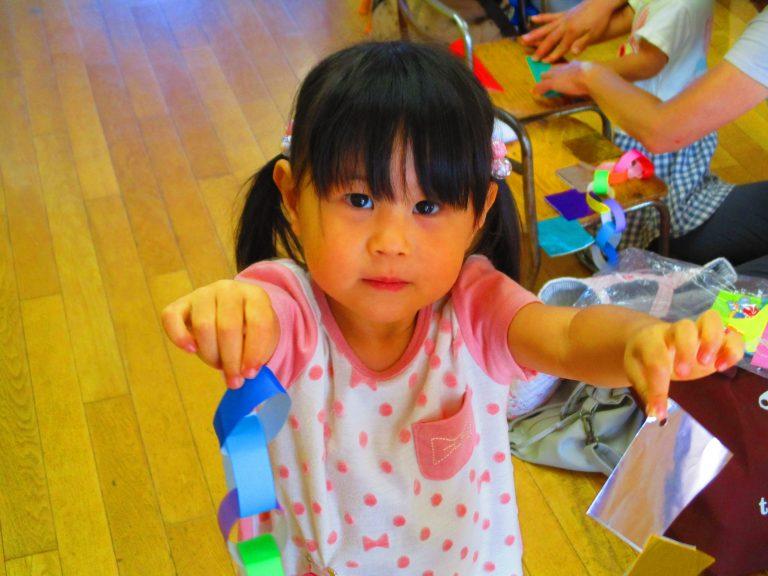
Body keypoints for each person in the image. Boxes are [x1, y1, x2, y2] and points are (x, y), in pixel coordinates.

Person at [161, 42, 743, 576]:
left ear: (480, 211)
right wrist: (230, 312)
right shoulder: (291, 310)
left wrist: (638, 340)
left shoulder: (474, 306)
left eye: (428, 206)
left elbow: (567, 336)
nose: (391, 241)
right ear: (292, 196)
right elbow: (256, 313)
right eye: (358, 199)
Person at [525, 0, 768, 277]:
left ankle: (640, 255)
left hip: (661, 137)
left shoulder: (683, 6)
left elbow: (663, 122)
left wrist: (588, 75)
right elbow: (635, 12)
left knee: (646, 204)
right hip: (653, 125)